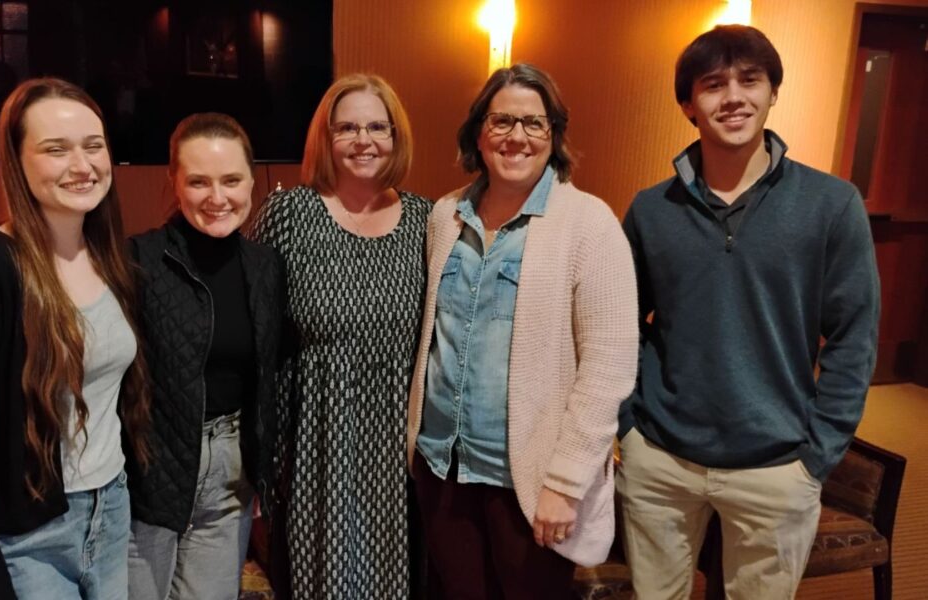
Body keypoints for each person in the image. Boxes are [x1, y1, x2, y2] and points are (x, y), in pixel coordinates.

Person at [618, 25, 881, 599]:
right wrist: (629, 426)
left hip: (778, 464)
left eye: (749, 79)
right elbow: (620, 327)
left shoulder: (832, 205)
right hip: (661, 458)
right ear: (689, 105)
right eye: (713, 84)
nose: (732, 96)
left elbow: (853, 336)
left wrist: (818, 454)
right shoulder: (649, 210)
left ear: (772, 92)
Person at [406, 63, 639, 599]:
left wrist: (566, 481)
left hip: (530, 479)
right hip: (443, 464)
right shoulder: (446, 215)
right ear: (478, 132)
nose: (517, 137)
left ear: (554, 135)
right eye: (502, 121)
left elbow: (608, 367)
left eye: (534, 123)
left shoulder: (589, 223)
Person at [0, 77, 151, 599]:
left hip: (109, 512)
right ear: (17, 161)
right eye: (55, 149)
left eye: (93, 146)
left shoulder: (115, 258)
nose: (83, 164)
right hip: (25, 536)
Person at [250, 73, 430, 599]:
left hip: (401, 448)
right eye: (347, 128)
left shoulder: (428, 220)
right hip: (313, 443)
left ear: (397, 138)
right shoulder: (288, 215)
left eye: (378, 126)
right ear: (325, 139)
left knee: (399, 579)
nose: (363, 140)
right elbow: (260, 337)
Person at [126, 113, 284, 600]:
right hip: (147, 474)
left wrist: (261, 469)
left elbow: (268, 377)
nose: (218, 198)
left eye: (231, 180)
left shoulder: (265, 267)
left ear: (251, 180)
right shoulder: (136, 260)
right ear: (174, 182)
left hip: (229, 475)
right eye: (198, 181)